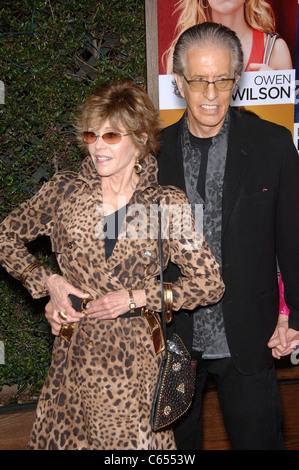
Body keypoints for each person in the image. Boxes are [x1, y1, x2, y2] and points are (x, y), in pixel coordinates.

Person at [0, 79, 225, 450]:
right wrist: (48, 283)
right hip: (75, 351)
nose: (97, 147)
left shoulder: (166, 204)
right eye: (91, 135)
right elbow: (6, 235)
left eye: (111, 136)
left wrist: (139, 296)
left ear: (139, 139)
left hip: (135, 358)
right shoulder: (65, 192)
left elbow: (210, 283)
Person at [158, 22, 299, 450]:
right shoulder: (151, 154)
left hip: (251, 334)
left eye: (223, 79)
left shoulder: (272, 145)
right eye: (200, 80)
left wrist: (291, 315)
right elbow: (125, 243)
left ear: (237, 80)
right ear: (179, 82)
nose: (212, 93)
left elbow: (292, 239)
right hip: (172, 337)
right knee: (172, 453)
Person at [163, 0, 293, 74]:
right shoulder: (181, 53)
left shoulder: (274, 50)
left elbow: (285, 119)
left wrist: (274, 90)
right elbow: (174, 117)